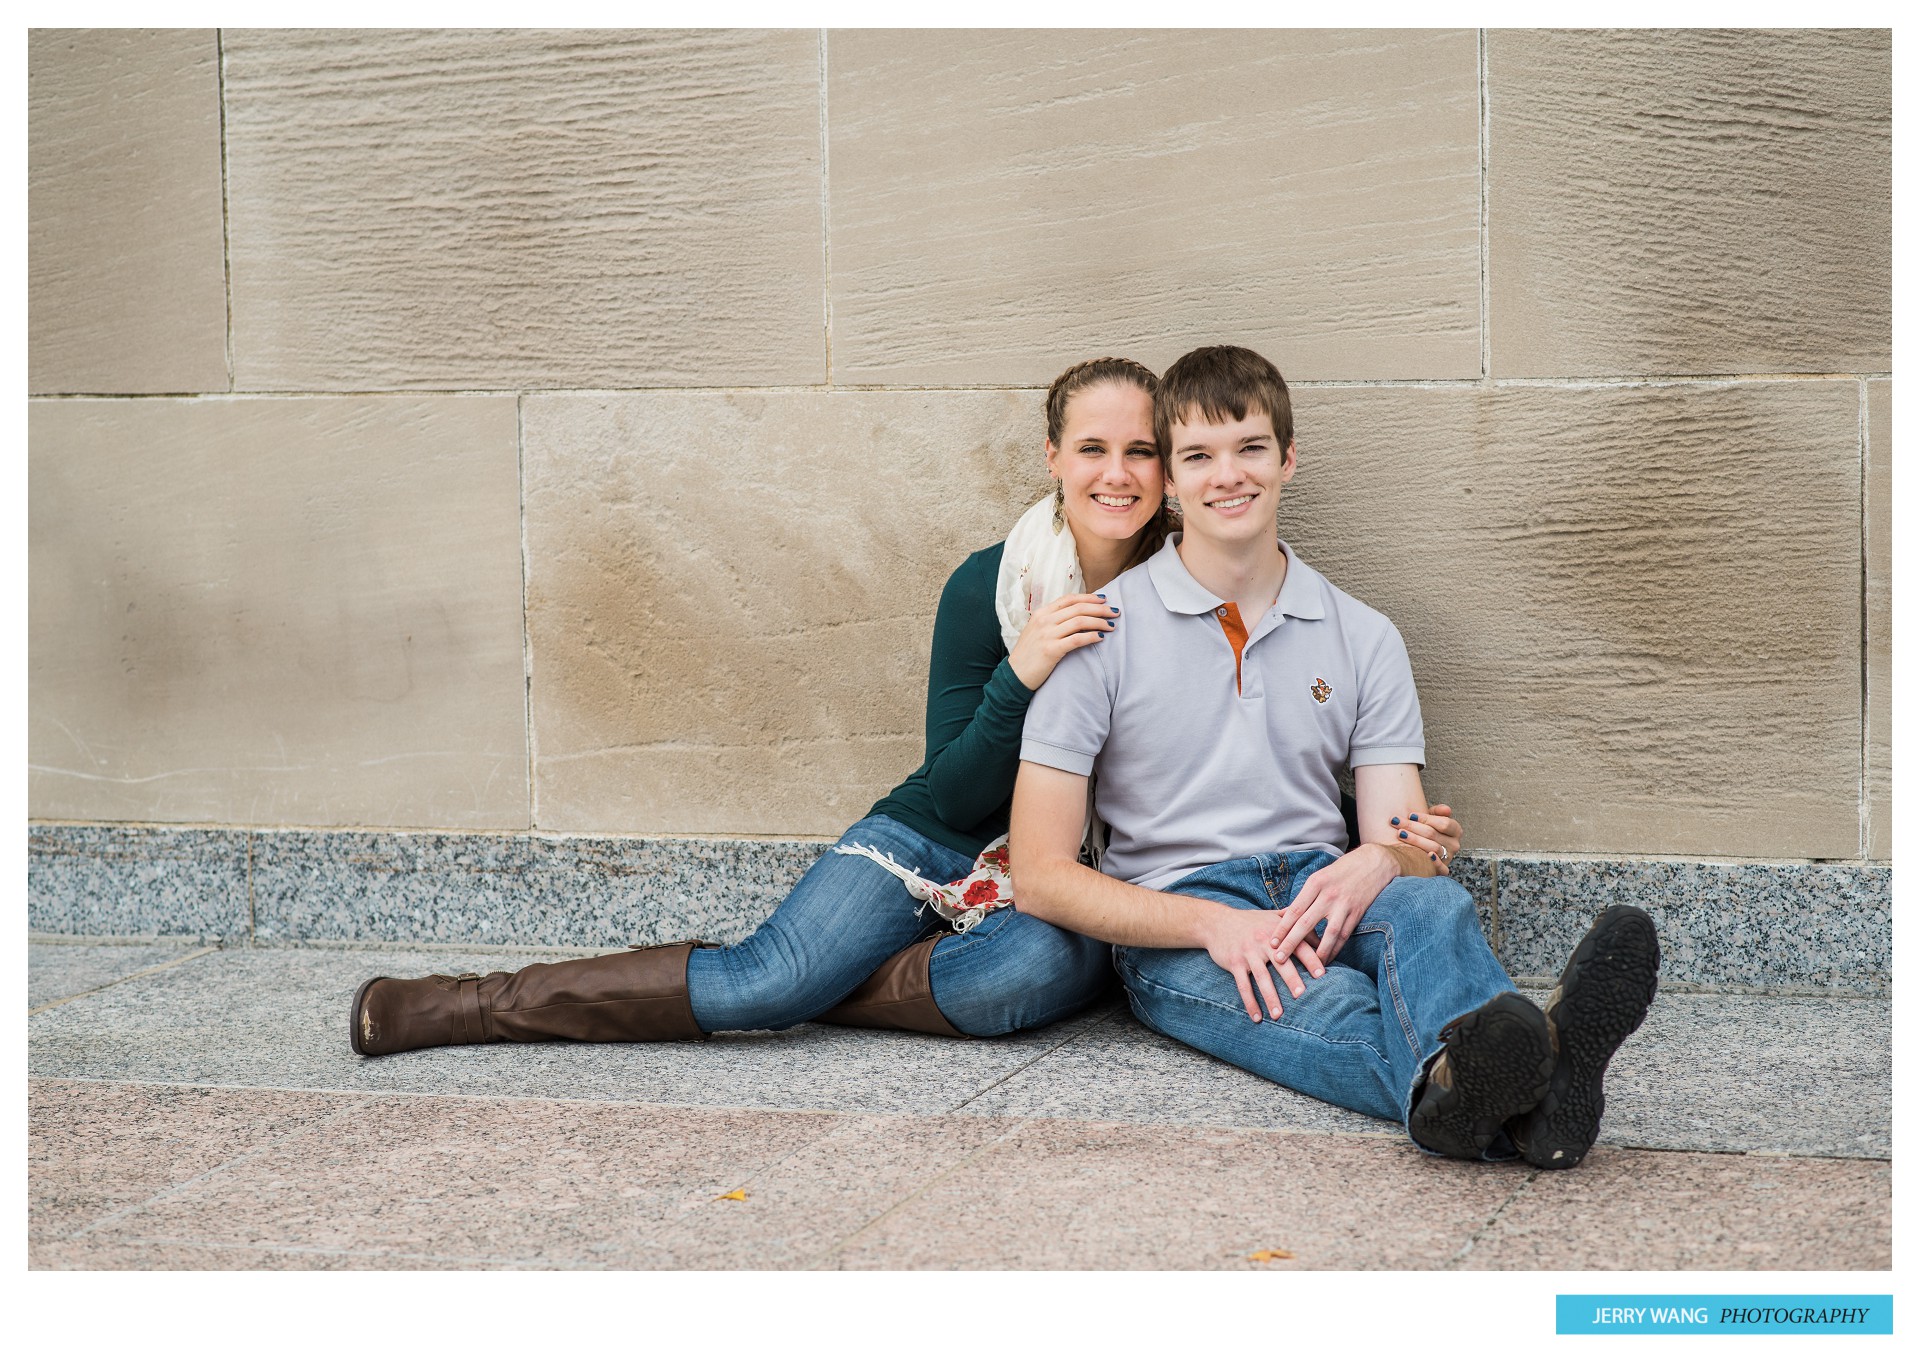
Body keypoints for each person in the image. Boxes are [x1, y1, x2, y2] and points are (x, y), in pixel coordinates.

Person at [350, 357, 1465, 1057]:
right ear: (1053, 459)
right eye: (1093, 448)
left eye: (1139, 449)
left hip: (1071, 869)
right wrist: (1022, 671)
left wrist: (1391, 850)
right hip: (941, 834)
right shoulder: (993, 584)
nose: (1118, 472)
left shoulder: (1184, 593)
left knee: (1026, 975)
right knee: (766, 976)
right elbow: (957, 786)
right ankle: (474, 1005)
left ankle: (835, 992)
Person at [1008, 345, 1658, 1169]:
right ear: (1169, 481)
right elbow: (1039, 872)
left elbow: (1411, 848)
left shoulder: (1364, 635)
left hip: (1324, 886)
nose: (1228, 475)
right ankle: (1527, 1079)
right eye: (1198, 456)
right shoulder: (1100, 631)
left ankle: (1481, 1092)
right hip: (1183, 919)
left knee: (1434, 911)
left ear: (1287, 458)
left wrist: (1382, 858)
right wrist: (1214, 922)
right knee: (1329, 1003)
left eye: (1249, 447)